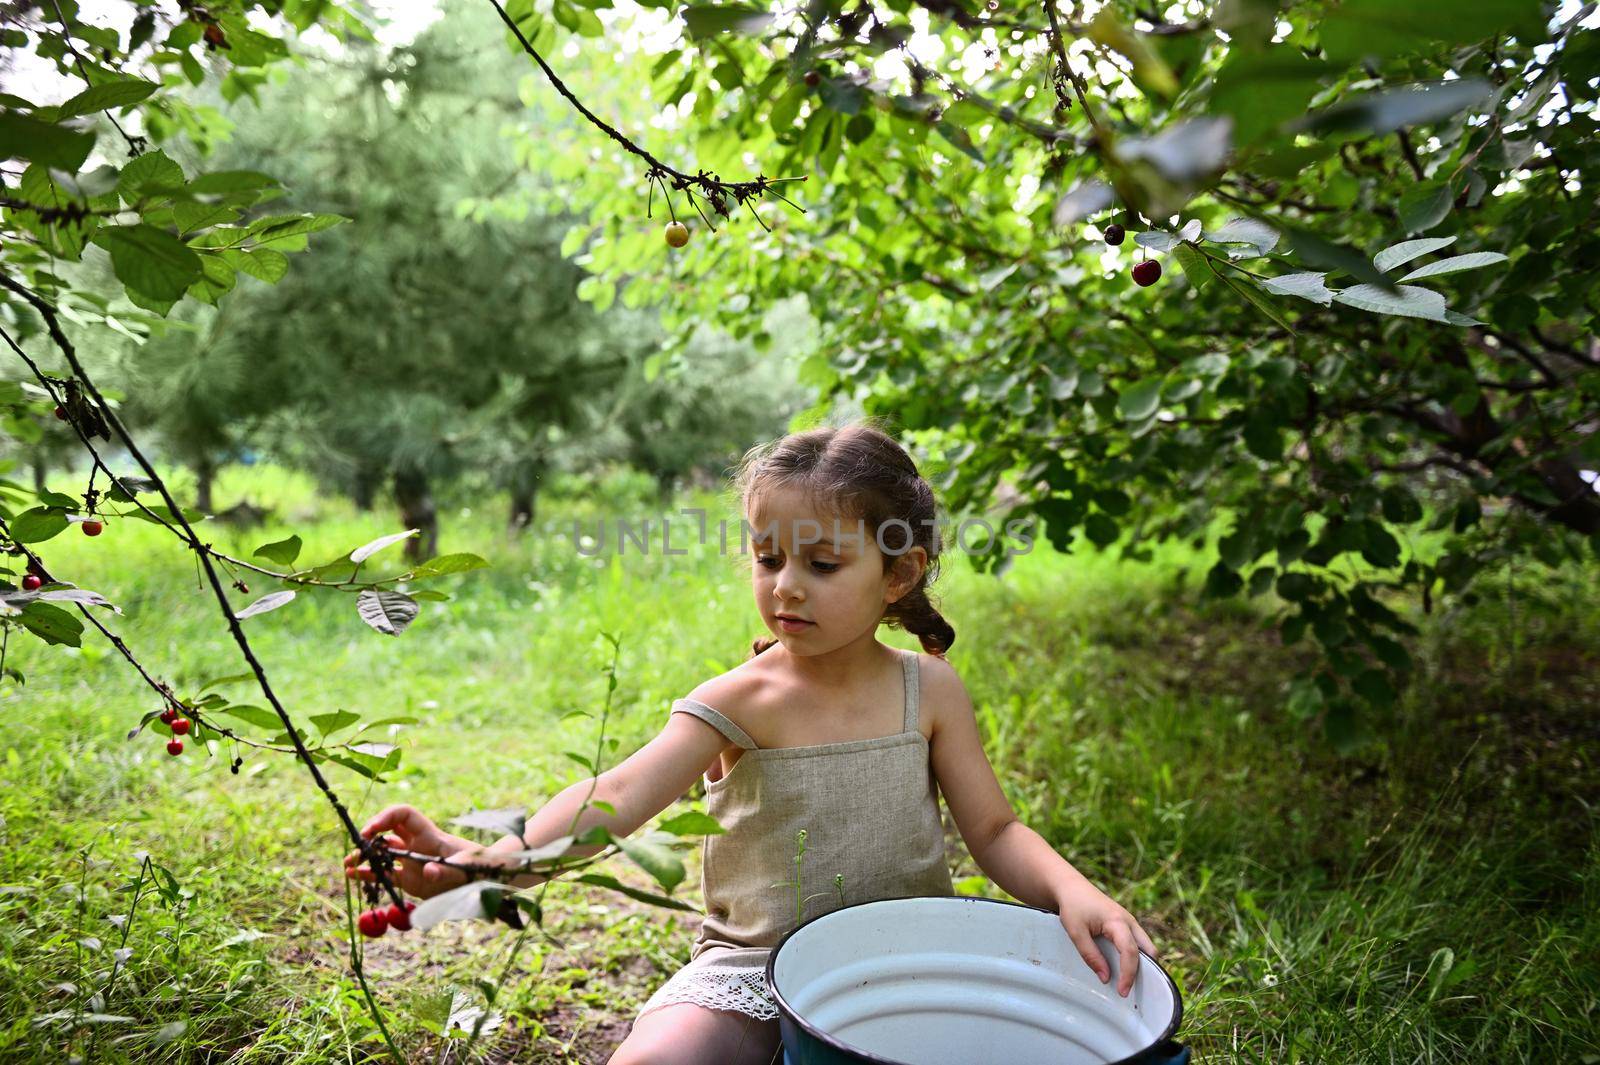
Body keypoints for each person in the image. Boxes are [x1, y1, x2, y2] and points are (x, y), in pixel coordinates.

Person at [344, 420, 1158, 1065]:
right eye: (767, 558)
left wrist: (1071, 891)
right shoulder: (738, 701)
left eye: (823, 563)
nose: (786, 585)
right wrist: (480, 860)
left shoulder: (928, 689)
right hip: (753, 972)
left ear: (898, 575)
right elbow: (618, 795)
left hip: (902, 961)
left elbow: (995, 831)